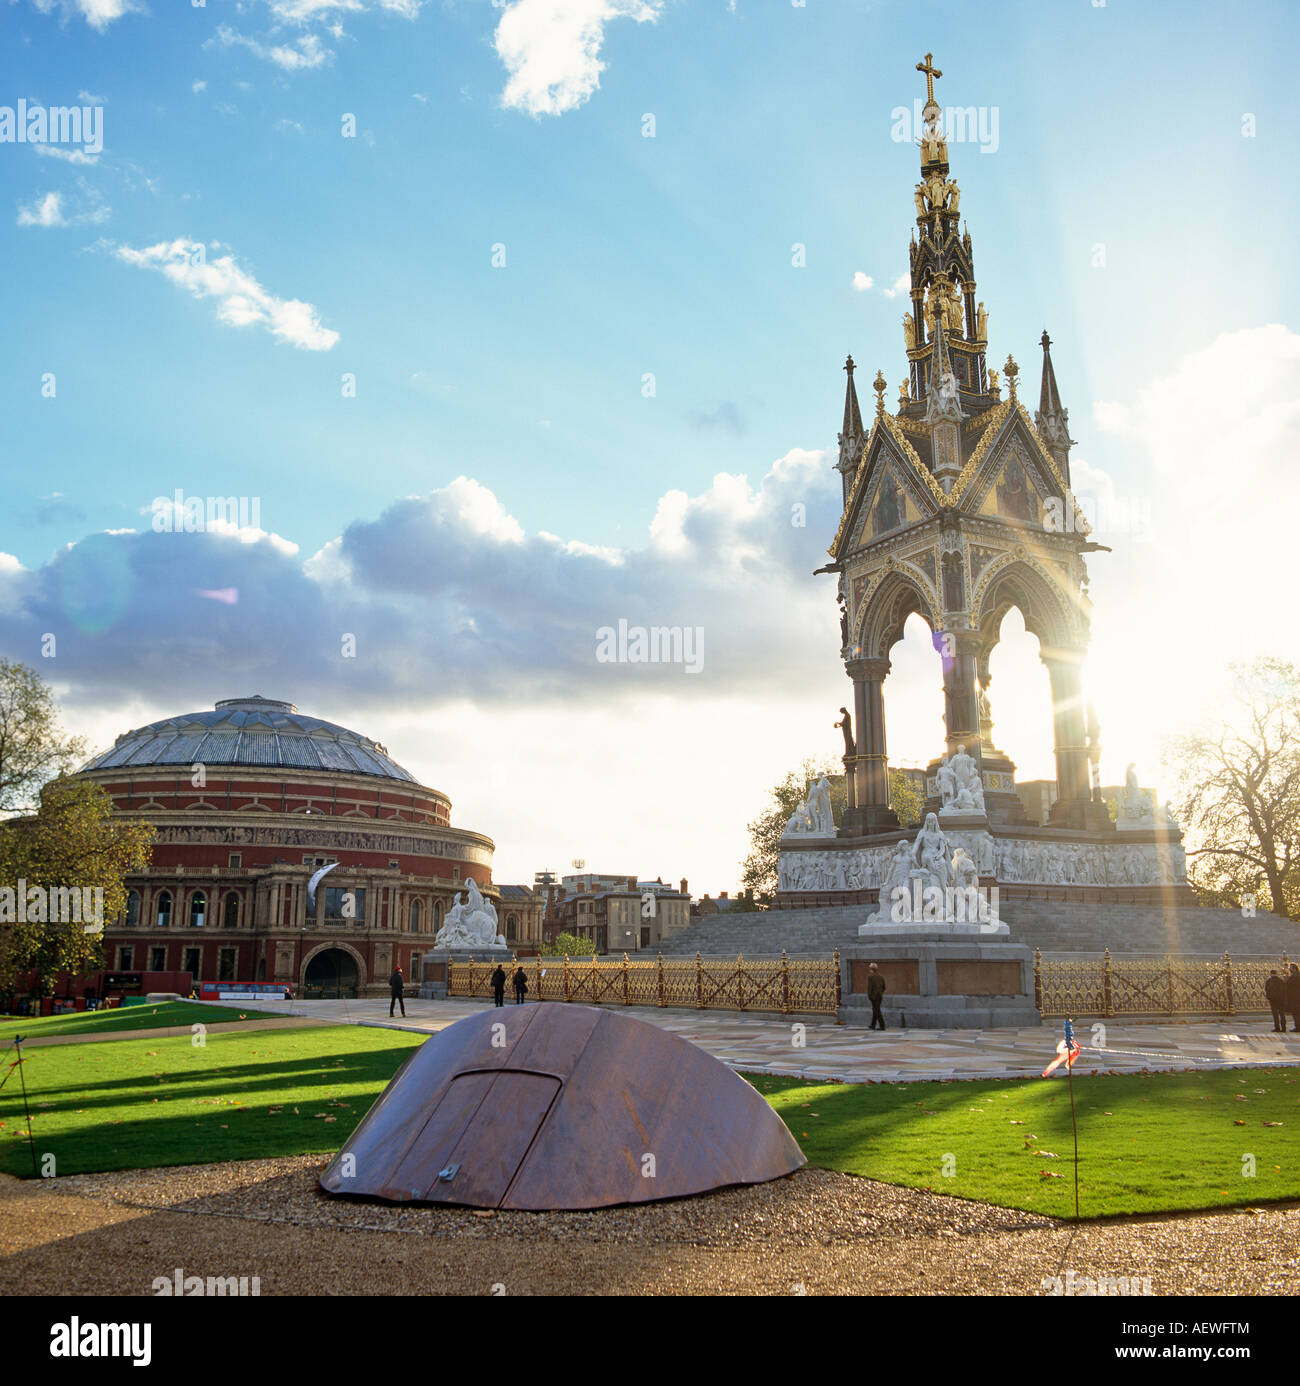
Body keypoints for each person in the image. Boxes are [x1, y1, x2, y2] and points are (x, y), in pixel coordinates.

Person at [866, 962, 886, 1031]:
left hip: (873, 997)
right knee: (875, 1010)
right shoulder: (881, 977)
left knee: (877, 1011)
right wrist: (881, 993)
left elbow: (870, 987)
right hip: (879, 996)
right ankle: (873, 1025)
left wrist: (869, 995)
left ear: (871, 969)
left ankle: (882, 1025)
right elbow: (884, 987)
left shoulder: (870, 977)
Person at [1287, 964, 1300, 1035]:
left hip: (1295, 998)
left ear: (1294, 968)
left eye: (1290, 968)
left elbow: (1290, 985)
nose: (1289, 969)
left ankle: (1298, 1027)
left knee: (1296, 1013)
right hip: (1297, 997)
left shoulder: (1295, 976)